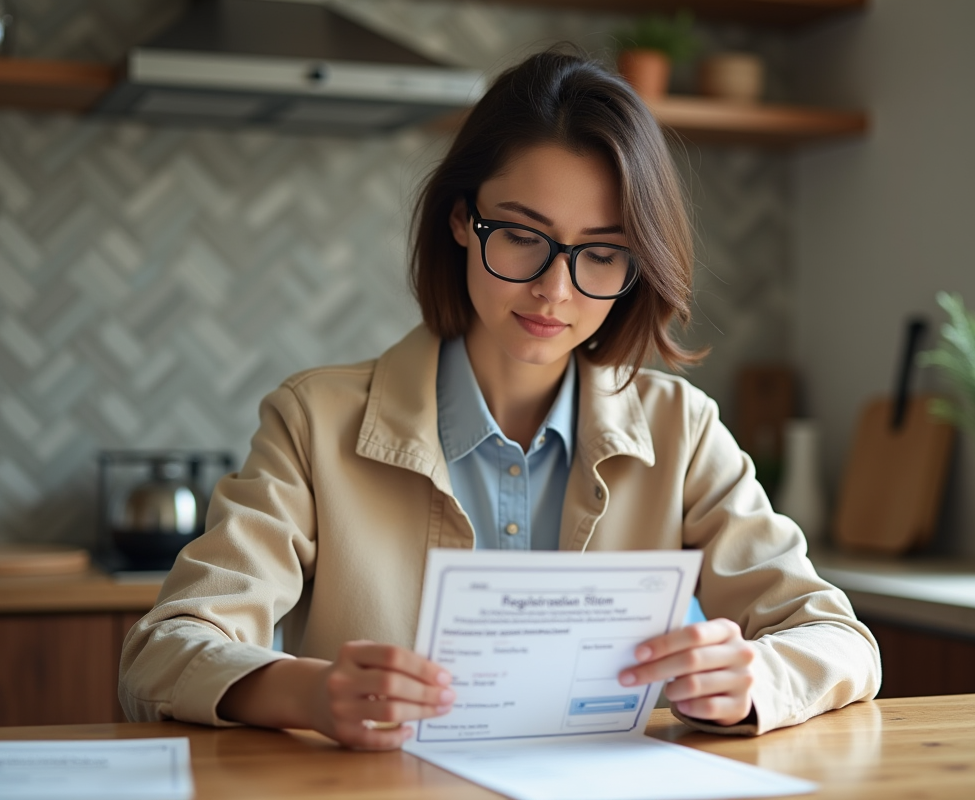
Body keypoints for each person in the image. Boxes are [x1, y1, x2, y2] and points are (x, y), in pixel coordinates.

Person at [118, 50, 880, 750]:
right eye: (522, 235)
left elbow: (839, 640)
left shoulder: (681, 430)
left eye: (603, 253)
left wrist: (754, 680)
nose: (555, 288)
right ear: (461, 218)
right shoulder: (313, 422)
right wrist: (312, 693)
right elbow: (162, 652)